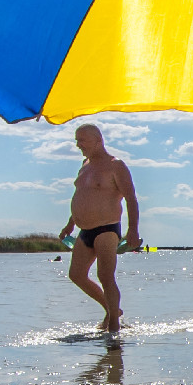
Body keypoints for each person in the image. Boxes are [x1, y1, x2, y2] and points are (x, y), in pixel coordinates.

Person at [59, 123, 139, 333]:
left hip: (107, 229)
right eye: (77, 140)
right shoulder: (84, 165)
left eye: (82, 140)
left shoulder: (115, 165)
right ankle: (112, 309)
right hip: (84, 231)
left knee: (105, 275)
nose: (78, 145)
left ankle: (113, 328)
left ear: (98, 140)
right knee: (76, 275)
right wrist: (70, 223)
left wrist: (133, 230)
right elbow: (83, 197)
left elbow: (130, 198)